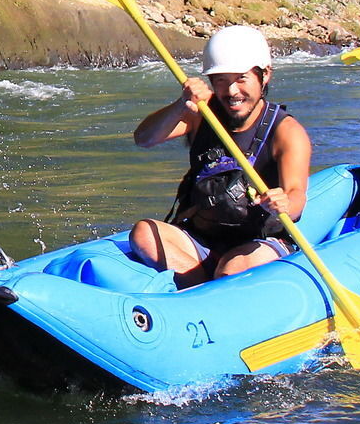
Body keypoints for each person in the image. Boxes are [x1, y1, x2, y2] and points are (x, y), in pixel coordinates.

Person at [128, 25, 312, 287]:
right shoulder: (203, 113)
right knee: (143, 233)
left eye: (241, 78)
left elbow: (297, 197)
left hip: (258, 243)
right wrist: (182, 104)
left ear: (265, 75)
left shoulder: (287, 131)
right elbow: (144, 139)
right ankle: (198, 289)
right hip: (201, 238)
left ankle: (212, 290)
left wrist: (284, 202)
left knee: (232, 269)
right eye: (221, 80)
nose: (232, 91)